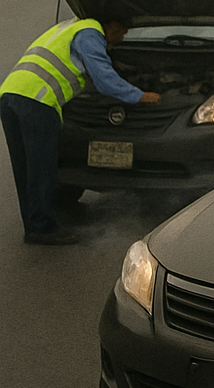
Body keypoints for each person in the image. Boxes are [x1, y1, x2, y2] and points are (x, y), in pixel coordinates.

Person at [1, 14, 160, 245]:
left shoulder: (68, 27)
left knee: (25, 167)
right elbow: (105, 79)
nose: (122, 36)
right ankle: (43, 229)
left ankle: (35, 225)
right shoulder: (90, 33)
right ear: (109, 24)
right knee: (42, 166)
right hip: (38, 101)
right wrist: (140, 96)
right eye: (121, 31)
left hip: (10, 95)